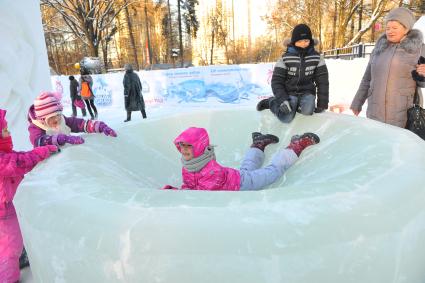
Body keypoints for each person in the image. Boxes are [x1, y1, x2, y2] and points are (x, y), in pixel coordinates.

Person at [0, 109, 58, 283]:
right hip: (3, 210)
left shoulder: (4, 154)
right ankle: (9, 278)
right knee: (9, 247)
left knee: (16, 236)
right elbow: (18, 163)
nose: (9, 133)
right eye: (4, 130)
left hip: (9, 204)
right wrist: (44, 152)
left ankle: (19, 257)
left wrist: (40, 155)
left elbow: (18, 158)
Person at [162, 127, 319, 191]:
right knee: (247, 167)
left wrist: (177, 194)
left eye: (188, 146)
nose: (184, 150)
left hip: (242, 184)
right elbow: (190, 186)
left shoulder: (211, 169)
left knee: (272, 172)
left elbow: (205, 196)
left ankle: (296, 146)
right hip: (234, 177)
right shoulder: (188, 166)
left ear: (199, 146)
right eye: (181, 146)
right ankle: (258, 144)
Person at [350, 7, 425, 128]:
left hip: (403, 114)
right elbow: (367, 78)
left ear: (406, 29)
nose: (390, 31)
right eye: (388, 28)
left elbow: (422, 83)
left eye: (395, 28)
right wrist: (357, 102)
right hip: (375, 110)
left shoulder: (419, 49)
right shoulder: (379, 49)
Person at [257, 24, 329, 123]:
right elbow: (276, 81)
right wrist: (283, 99)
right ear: (294, 42)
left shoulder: (317, 58)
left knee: (308, 112)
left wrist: (322, 104)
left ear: (310, 41)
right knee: (286, 118)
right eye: (299, 41)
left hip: (307, 92)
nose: (303, 44)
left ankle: (299, 107)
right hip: (289, 92)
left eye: (306, 41)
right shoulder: (285, 58)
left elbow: (323, 81)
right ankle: (271, 102)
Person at [27, 92, 117, 148]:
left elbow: (80, 124)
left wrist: (99, 126)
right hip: (49, 166)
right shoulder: (36, 128)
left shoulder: (62, 120)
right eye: (52, 117)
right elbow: (38, 142)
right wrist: (61, 139)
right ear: (42, 119)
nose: (57, 119)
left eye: (58, 114)